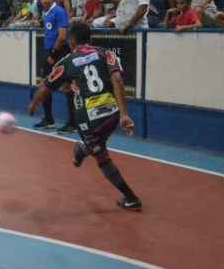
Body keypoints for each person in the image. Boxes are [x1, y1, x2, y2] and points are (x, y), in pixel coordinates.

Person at [28, 23, 142, 211]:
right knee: (98, 142)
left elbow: (46, 87)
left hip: (88, 118)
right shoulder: (106, 53)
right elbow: (118, 80)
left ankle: (131, 198)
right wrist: (124, 114)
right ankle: (84, 149)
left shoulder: (67, 61)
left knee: (101, 155)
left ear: (71, 43)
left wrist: (34, 103)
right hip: (112, 113)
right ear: (90, 39)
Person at [33, 0, 77, 134]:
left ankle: (73, 122)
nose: (44, 0)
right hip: (50, 53)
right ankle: (48, 119)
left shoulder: (59, 11)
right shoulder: (47, 13)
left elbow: (62, 36)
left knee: (66, 87)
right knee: (45, 84)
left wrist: (53, 53)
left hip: (59, 53)